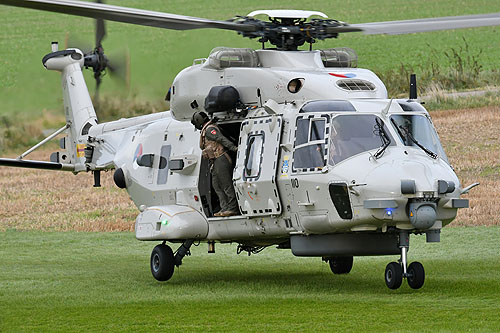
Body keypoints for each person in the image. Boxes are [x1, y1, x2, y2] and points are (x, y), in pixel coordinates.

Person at [191, 111, 239, 217]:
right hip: (214, 161)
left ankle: (233, 208)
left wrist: (234, 149)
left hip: (221, 158)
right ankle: (225, 208)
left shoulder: (210, 130)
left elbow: (221, 139)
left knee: (226, 184)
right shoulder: (206, 130)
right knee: (216, 185)